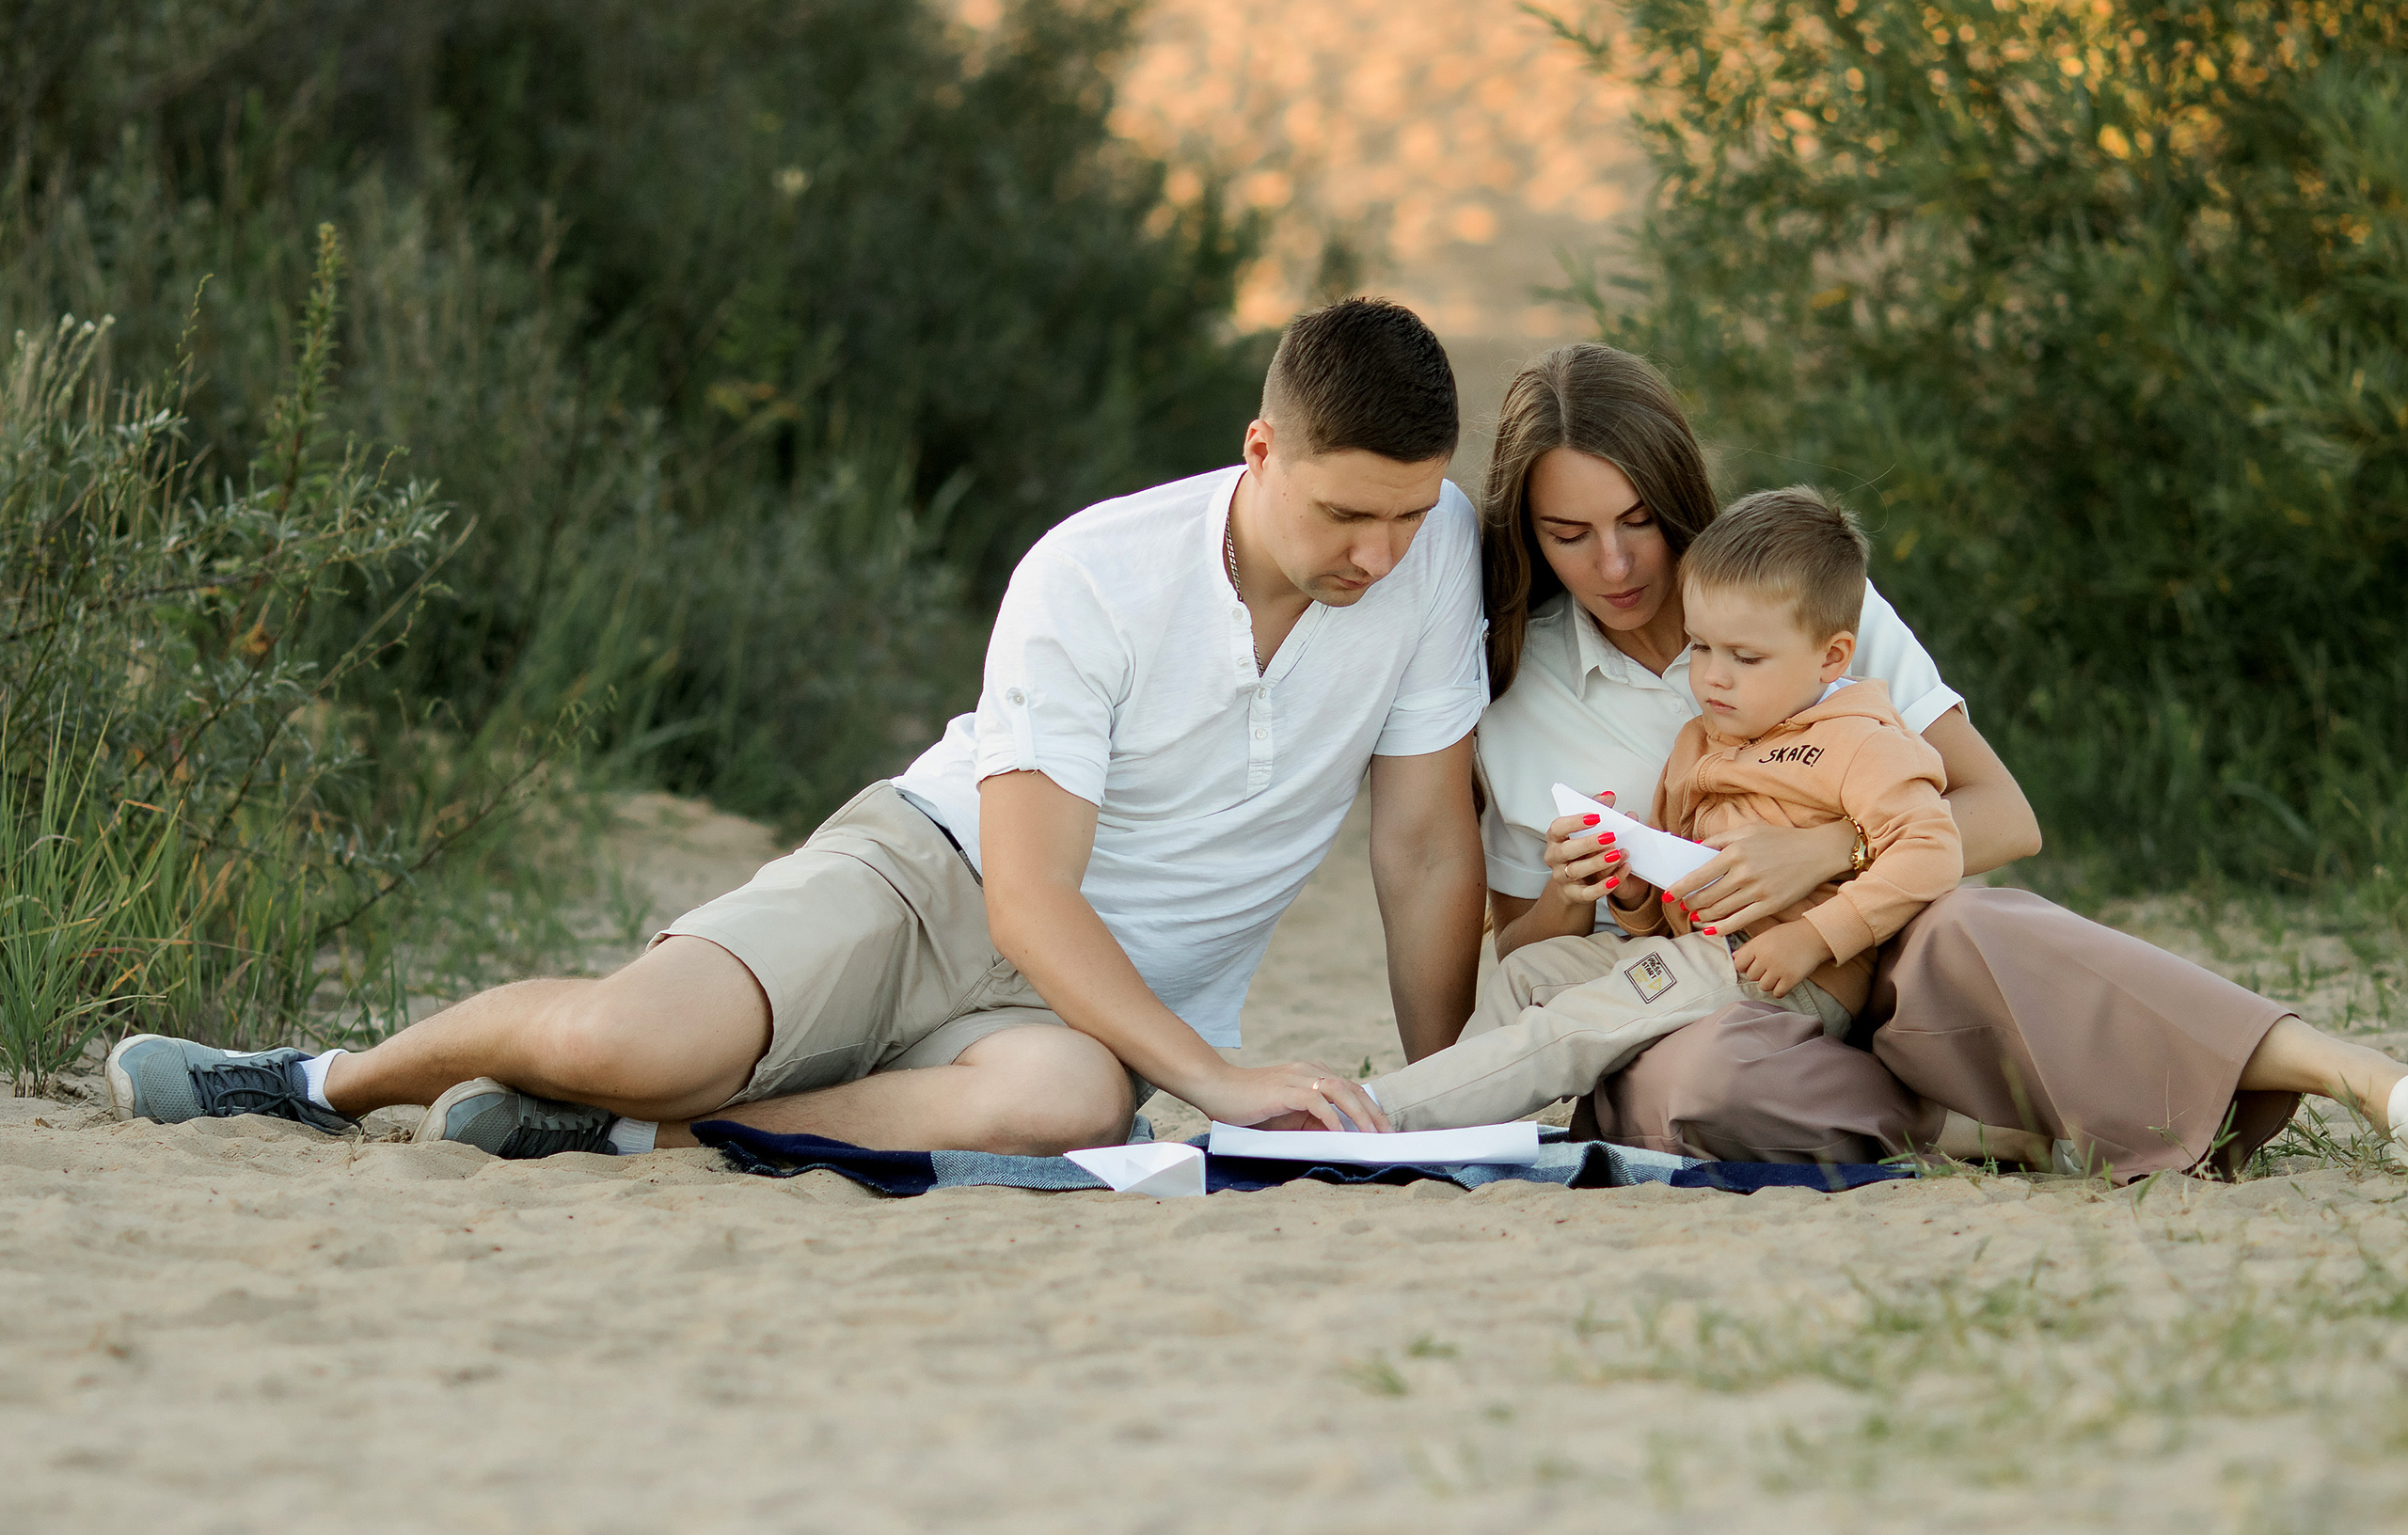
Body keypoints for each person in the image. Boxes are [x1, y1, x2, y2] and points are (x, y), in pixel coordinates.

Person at [104, 297, 1491, 1158]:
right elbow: (1024, 892)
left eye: (1407, 514)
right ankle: (318, 1077)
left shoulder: (1435, 557)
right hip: (929, 877)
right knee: (628, 1038)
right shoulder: (1096, 573)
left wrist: (1439, 1102)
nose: (1378, 551)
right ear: (1260, 453)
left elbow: (1427, 851)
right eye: (1342, 513)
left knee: (1067, 1104)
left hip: (1100, 1010)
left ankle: (647, 1134)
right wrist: (1218, 1078)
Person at [1465, 342, 2406, 1180]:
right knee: (1703, 1084)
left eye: (1637, 519)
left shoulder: (1803, 596)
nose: (1617, 563)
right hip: (1700, 1006)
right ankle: (1981, 1129)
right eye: (1570, 536)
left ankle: (2346, 1071)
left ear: (1675, 494)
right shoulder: (1516, 695)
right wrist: (1577, 890)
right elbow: (1524, 950)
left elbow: (2003, 815)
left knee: (1973, 926)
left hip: (1885, 957)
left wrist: (1832, 850)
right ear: (1529, 537)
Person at [1365, 483, 1978, 1132]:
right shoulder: (1697, 744)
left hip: (1785, 968)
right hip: (1697, 951)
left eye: (1744, 657)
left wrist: (1814, 936)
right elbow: (1667, 906)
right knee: (1528, 972)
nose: (1712, 676)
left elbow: (1934, 848)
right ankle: (1453, 1125)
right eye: (1701, 647)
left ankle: (1384, 1115)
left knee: (1582, 1025)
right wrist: (1631, 884)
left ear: (1831, 657)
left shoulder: (1859, 737)